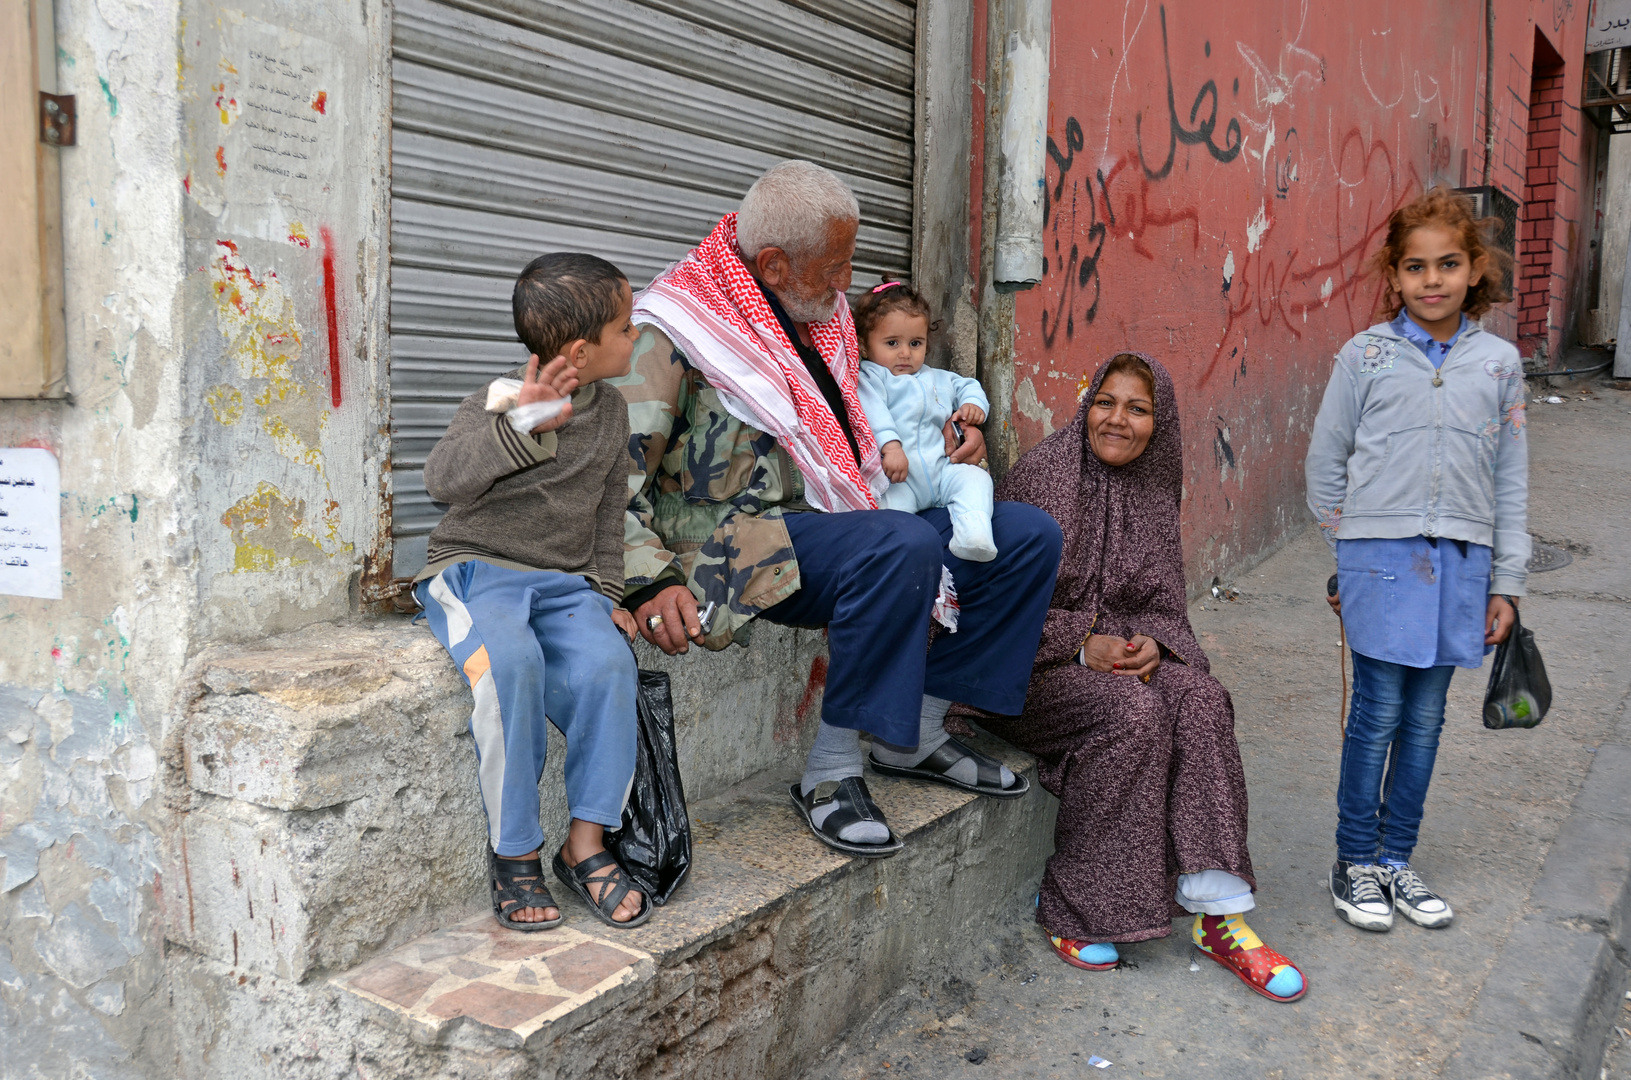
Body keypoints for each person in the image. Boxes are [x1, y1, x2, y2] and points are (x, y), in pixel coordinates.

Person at [617, 160, 1061, 857]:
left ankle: (915, 732)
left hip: (843, 519)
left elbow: (878, 412)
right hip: (730, 548)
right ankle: (828, 772)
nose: (843, 285)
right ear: (771, 263)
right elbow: (608, 481)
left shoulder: (818, 321)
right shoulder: (672, 332)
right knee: (898, 545)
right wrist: (650, 579)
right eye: (832, 268)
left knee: (1027, 534)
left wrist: (954, 425)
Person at [976, 352, 1307, 1003]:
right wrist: (1079, 647)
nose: (1117, 420)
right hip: (1022, 680)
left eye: (1137, 408)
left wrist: (1153, 646)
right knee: (1131, 713)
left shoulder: (1151, 491)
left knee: (1202, 699)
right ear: (1085, 403)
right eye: (1105, 401)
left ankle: (1221, 919)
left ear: (1159, 423)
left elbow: (1159, 608)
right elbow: (990, 616)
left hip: (1106, 668)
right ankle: (1073, 906)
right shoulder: (1043, 479)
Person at [1306, 186, 1525, 934]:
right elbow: (1324, 462)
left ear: (1473, 271)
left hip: (1461, 566)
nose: (1431, 280)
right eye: (1413, 267)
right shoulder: (1362, 356)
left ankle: (1395, 859)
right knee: (1375, 714)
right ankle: (1353, 861)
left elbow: (1510, 480)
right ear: (1393, 276)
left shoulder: (1497, 364)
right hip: (1378, 560)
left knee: (1426, 718)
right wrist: (1352, 548)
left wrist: (1508, 581)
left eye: (1448, 264)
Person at [414, 252, 650, 931]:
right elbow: (443, 480)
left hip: (566, 583)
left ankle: (586, 844)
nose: (637, 338)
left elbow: (609, 511)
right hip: (478, 571)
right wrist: (522, 425)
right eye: (628, 328)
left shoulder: (610, 415)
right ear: (583, 348)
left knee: (608, 668)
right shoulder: (495, 403)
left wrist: (608, 593)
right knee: (509, 668)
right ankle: (516, 852)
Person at [853, 280, 997, 562]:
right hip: (899, 478)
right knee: (887, 513)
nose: (905, 353)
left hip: (942, 470)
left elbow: (968, 385)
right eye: (892, 343)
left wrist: (973, 404)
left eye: (915, 343)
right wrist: (891, 447)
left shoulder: (937, 377)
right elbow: (872, 411)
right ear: (864, 346)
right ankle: (893, 558)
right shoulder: (871, 377)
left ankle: (974, 535)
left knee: (976, 480)